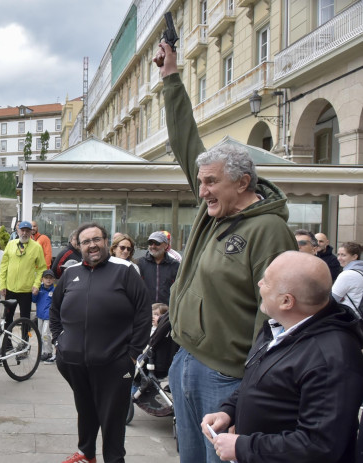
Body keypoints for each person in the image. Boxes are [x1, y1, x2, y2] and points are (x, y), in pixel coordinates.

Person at [156, 40, 297, 463]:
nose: (202, 192)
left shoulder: (269, 230)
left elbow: (275, 318)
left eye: (211, 182)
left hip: (225, 377)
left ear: (242, 182)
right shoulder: (213, 210)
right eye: (200, 182)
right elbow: (186, 140)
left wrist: (245, 391)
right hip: (186, 360)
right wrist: (170, 78)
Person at [201, 251, 363, 463]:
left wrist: (244, 447)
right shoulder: (277, 327)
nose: (259, 283)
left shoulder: (331, 357)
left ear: (287, 301)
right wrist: (228, 411)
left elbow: (319, 445)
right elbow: (259, 381)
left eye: (267, 282)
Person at [50, 223, 151, 463]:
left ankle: (114, 460)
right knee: (85, 409)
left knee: (113, 417)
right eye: (86, 242)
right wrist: (58, 341)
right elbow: (54, 311)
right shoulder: (71, 273)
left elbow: (144, 313)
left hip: (115, 363)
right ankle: (86, 454)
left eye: (96, 239)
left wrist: (133, 354)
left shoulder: (125, 271)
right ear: (79, 246)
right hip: (74, 361)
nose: (92, 245)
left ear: (106, 242)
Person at [0, 221, 47, 328]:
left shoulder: (37, 247)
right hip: (10, 288)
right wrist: (2, 284)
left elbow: (42, 268)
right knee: (8, 318)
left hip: (26, 290)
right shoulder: (11, 244)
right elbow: (3, 266)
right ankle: (8, 344)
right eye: (22, 230)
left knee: (25, 319)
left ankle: (24, 343)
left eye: (27, 231)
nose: (24, 233)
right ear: (18, 231)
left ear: (31, 232)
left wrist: (36, 284)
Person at [137, 231, 180, 305]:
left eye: (157, 243)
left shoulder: (175, 265)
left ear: (166, 245)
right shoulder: (139, 263)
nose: (153, 246)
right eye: (150, 243)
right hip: (145, 309)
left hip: (167, 311)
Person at [331, 241, 363, 312]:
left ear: (354, 257)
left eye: (343, 255)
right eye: (338, 254)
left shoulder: (348, 274)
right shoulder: (360, 271)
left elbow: (332, 299)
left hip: (348, 317)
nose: (339, 258)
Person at [33, 269, 56, 364]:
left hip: (48, 316)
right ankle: (43, 352)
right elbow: (34, 300)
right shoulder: (40, 289)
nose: (48, 280)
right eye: (46, 278)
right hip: (40, 315)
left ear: (54, 280)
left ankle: (49, 353)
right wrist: (34, 294)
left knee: (46, 335)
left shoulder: (55, 291)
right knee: (40, 334)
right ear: (42, 279)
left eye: (50, 278)